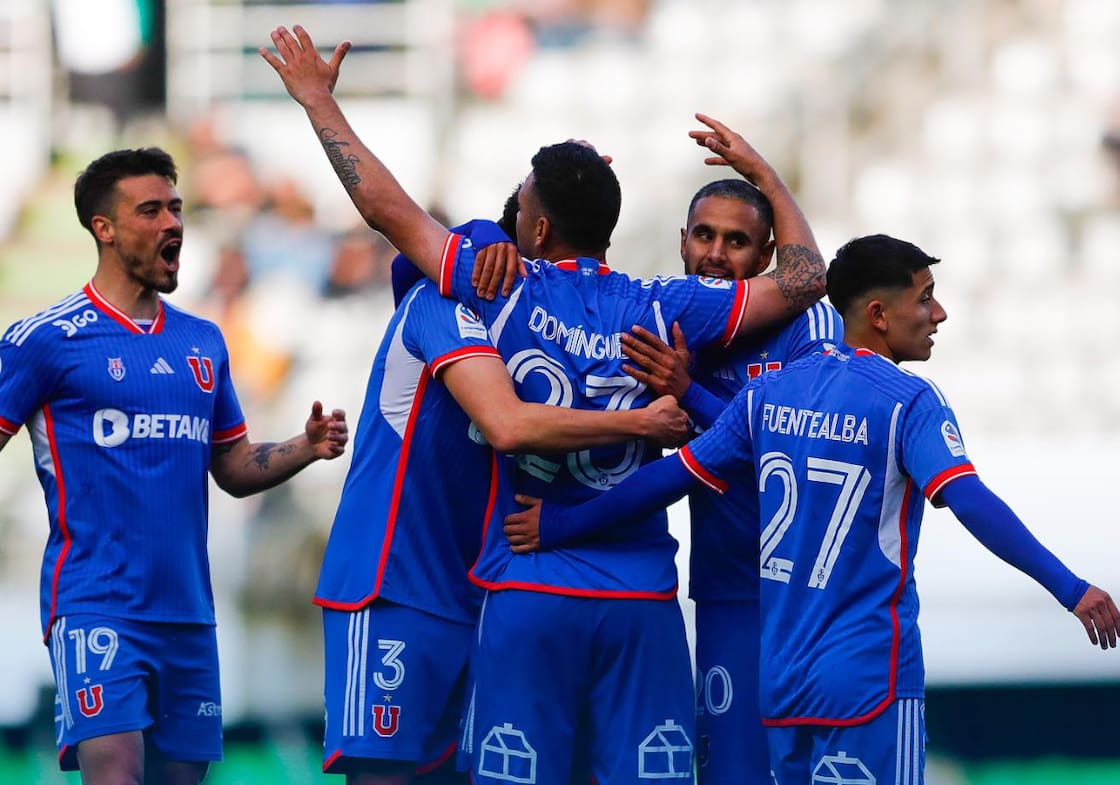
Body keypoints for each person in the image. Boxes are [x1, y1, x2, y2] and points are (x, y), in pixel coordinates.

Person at [261, 25, 827, 783]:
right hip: (639, 598)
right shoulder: (664, 306)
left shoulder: (490, 286)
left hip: (522, 584)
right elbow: (803, 279)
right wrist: (761, 171)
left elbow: (388, 214)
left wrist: (319, 104)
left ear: (533, 228)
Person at [504, 233, 1120, 785]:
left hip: (783, 678)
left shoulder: (769, 393)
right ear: (878, 314)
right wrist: (1071, 588)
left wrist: (562, 522)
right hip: (869, 674)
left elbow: (669, 477)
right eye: (925, 297)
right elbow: (971, 502)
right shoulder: (910, 402)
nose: (939, 313)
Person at [0, 147, 351, 785]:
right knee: (116, 775)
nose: (172, 223)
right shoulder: (45, 340)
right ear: (105, 228)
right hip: (95, 607)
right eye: (150, 210)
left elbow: (233, 466)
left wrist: (302, 446)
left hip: (187, 616)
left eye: (175, 208)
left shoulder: (202, 342)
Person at [314, 208, 691, 784]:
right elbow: (508, 425)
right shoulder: (436, 304)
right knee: (383, 774)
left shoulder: (524, 327)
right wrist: (481, 230)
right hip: (395, 584)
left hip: (482, 590)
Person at [617, 178, 842, 785]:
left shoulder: (808, 321)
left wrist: (688, 392)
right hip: (725, 595)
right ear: (682, 244)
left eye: (737, 240)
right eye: (704, 235)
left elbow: (794, 450)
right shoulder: (664, 326)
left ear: (766, 256)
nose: (716, 252)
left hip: (810, 598)